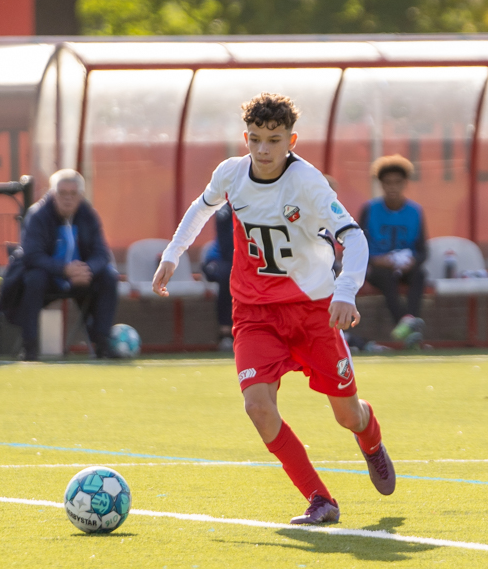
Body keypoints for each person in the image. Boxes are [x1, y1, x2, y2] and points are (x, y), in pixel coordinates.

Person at [151, 92, 394, 526]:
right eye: (255, 139)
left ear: (292, 141)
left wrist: (346, 290)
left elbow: (353, 237)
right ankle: (321, 500)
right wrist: (173, 253)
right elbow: (200, 207)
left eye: (274, 140)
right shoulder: (231, 173)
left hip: (312, 310)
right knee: (258, 407)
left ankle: (370, 438)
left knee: (347, 415)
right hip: (254, 312)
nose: (263, 150)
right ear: (245, 138)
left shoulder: (308, 183)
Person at [19, 169, 119, 361]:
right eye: (62, 193)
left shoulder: (88, 214)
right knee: (33, 278)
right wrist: (63, 270)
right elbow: (32, 255)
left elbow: (102, 253)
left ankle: (102, 344)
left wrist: (87, 269)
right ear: (53, 194)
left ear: (81, 196)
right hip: (50, 276)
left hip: (81, 276)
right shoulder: (38, 214)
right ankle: (29, 347)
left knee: (109, 277)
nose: (68, 199)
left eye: (73, 194)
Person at [357, 155, 428, 348]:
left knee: (419, 275)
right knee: (385, 276)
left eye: (397, 183)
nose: (393, 188)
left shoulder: (415, 211)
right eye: (387, 183)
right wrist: (376, 260)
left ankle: (408, 322)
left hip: (405, 267)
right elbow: (357, 245)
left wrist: (413, 261)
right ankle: (408, 327)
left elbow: (423, 251)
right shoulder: (369, 209)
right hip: (378, 268)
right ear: (380, 184)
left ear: (405, 183)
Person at [202, 204, 234, 352]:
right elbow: (226, 246)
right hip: (217, 260)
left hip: (242, 260)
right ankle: (225, 332)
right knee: (228, 274)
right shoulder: (225, 208)